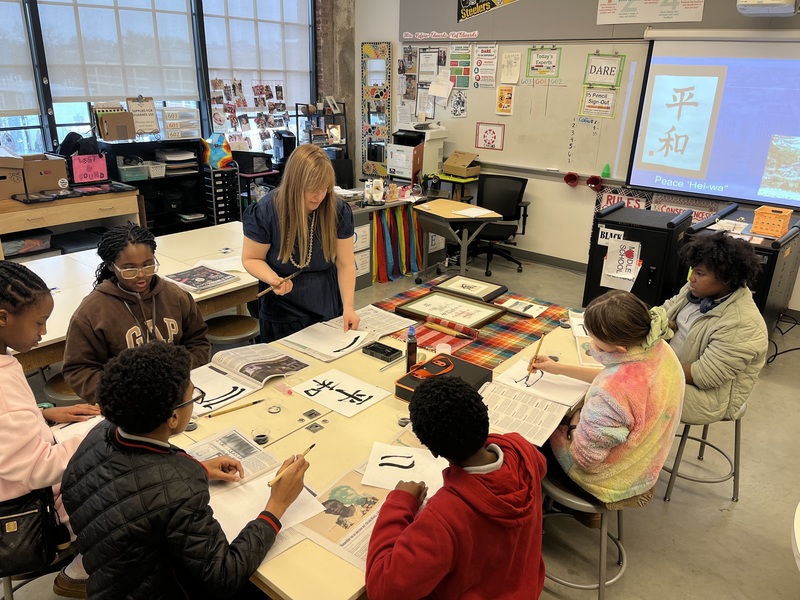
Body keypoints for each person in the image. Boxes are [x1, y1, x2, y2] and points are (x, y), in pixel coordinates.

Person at [61, 342, 309, 600]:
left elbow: (130, 487)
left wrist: (196, 467)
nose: (195, 400)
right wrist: (276, 506)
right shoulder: (179, 490)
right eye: (193, 396)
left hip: (110, 577)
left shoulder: (100, 434)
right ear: (173, 418)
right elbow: (223, 576)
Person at [366, 375, 546, 600]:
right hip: (525, 586)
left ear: (432, 450)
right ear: (484, 416)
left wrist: (399, 503)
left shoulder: (443, 516)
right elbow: (540, 466)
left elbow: (383, 590)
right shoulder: (521, 449)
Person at [0, 261, 101, 597]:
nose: (43, 333)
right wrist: (97, 434)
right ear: (3, 318)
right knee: (128, 488)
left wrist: (45, 412)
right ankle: (80, 572)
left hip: (17, 479)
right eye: (39, 323)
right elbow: (38, 470)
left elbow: (9, 426)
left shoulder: (4, 363)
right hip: (26, 509)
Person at [533, 290, 684, 506]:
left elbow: (585, 460)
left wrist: (575, 420)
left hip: (608, 482)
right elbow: (616, 378)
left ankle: (554, 512)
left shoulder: (615, 389)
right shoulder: (659, 349)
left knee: (536, 442)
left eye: (597, 343)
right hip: (644, 464)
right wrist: (558, 369)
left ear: (620, 348)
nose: (592, 346)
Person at [62, 223, 210, 404]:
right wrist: (121, 395)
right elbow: (79, 369)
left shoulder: (176, 296)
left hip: (178, 393)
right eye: (130, 269)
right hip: (128, 404)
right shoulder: (91, 312)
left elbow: (198, 340)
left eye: (148, 265)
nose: (141, 275)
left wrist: (181, 375)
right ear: (111, 266)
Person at [242, 144, 359, 342]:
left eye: (325, 189)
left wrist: (349, 307)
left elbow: (345, 263)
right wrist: (271, 277)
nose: (319, 196)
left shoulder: (336, 209)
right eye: (312, 189)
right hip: (282, 308)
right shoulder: (265, 211)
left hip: (326, 301)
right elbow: (251, 258)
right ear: (295, 184)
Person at [659, 231, 768, 425]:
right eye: (693, 270)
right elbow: (664, 311)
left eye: (700, 274)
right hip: (670, 368)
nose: (692, 278)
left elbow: (704, 375)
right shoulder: (696, 290)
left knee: (625, 389)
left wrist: (650, 367)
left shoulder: (742, 323)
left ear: (726, 278)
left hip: (708, 398)